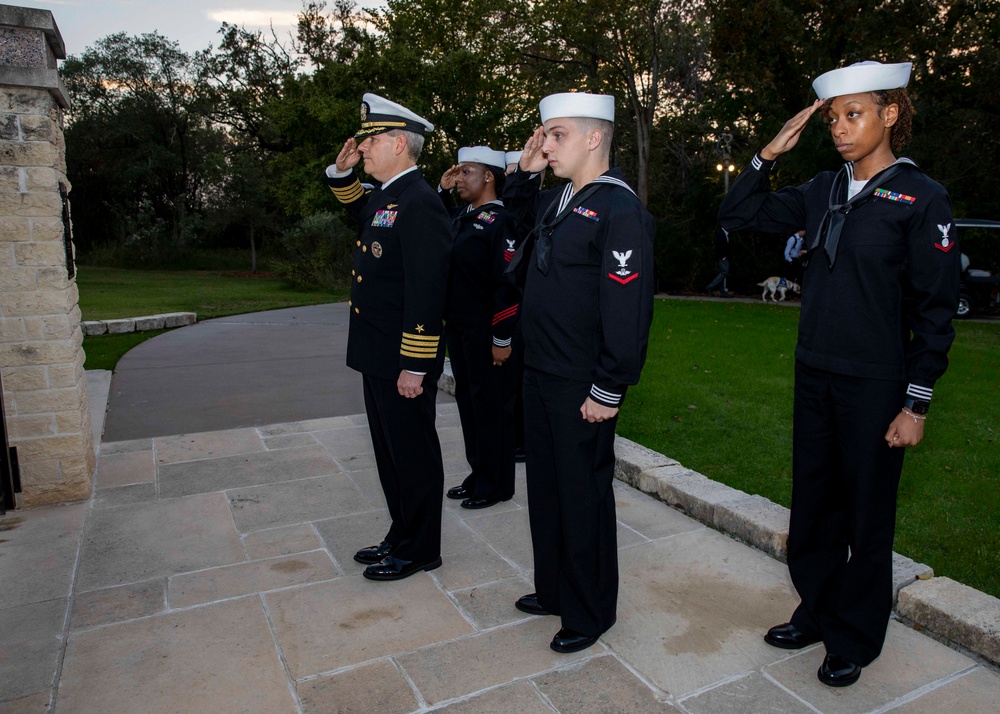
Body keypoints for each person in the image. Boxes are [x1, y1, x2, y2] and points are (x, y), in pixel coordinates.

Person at [718, 61, 959, 687]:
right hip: (815, 372)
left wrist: (917, 404)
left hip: (877, 383)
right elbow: (739, 214)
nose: (841, 128)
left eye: (855, 114)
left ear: (891, 114)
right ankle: (818, 610)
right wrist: (769, 154)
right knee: (815, 507)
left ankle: (855, 634)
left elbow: (935, 312)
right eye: (834, 118)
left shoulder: (921, 196)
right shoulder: (824, 187)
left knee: (866, 515)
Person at [503, 92, 655, 654]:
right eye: (543, 133)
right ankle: (555, 590)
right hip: (539, 371)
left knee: (582, 493)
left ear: (594, 138)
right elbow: (511, 231)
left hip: (580, 381)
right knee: (545, 489)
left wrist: (609, 386)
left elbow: (628, 309)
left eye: (557, 134)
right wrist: (523, 173)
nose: (545, 143)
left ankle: (590, 611)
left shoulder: (620, 210)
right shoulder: (558, 200)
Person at [325, 93, 452, 581]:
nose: (363, 146)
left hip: (403, 357)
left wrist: (416, 364)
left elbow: (428, 289)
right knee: (390, 453)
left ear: (399, 143)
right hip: (379, 353)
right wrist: (342, 174)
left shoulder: (419, 202)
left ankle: (421, 549)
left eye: (371, 139)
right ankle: (402, 534)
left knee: (413, 454)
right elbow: (364, 215)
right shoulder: (389, 197)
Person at [437, 146, 522, 509]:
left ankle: (496, 484)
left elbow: (508, 284)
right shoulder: (463, 217)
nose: (459, 180)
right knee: (470, 406)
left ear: (489, 176)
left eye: (466, 172)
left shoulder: (502, 221)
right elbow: (436, 225)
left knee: (492, 409)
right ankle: (479, 473)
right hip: (460, 330)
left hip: (488, 334)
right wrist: (441, 191)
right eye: (458, 172)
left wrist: (501, 338)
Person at [705, 226, 731, 297]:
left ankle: (723, 292)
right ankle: (710, 286)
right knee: (724, 272)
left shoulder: (724, 234)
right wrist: (722, 256)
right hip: (723, 257)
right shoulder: (721, 234)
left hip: (723, 256)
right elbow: (719, 246)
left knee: (723, 272)